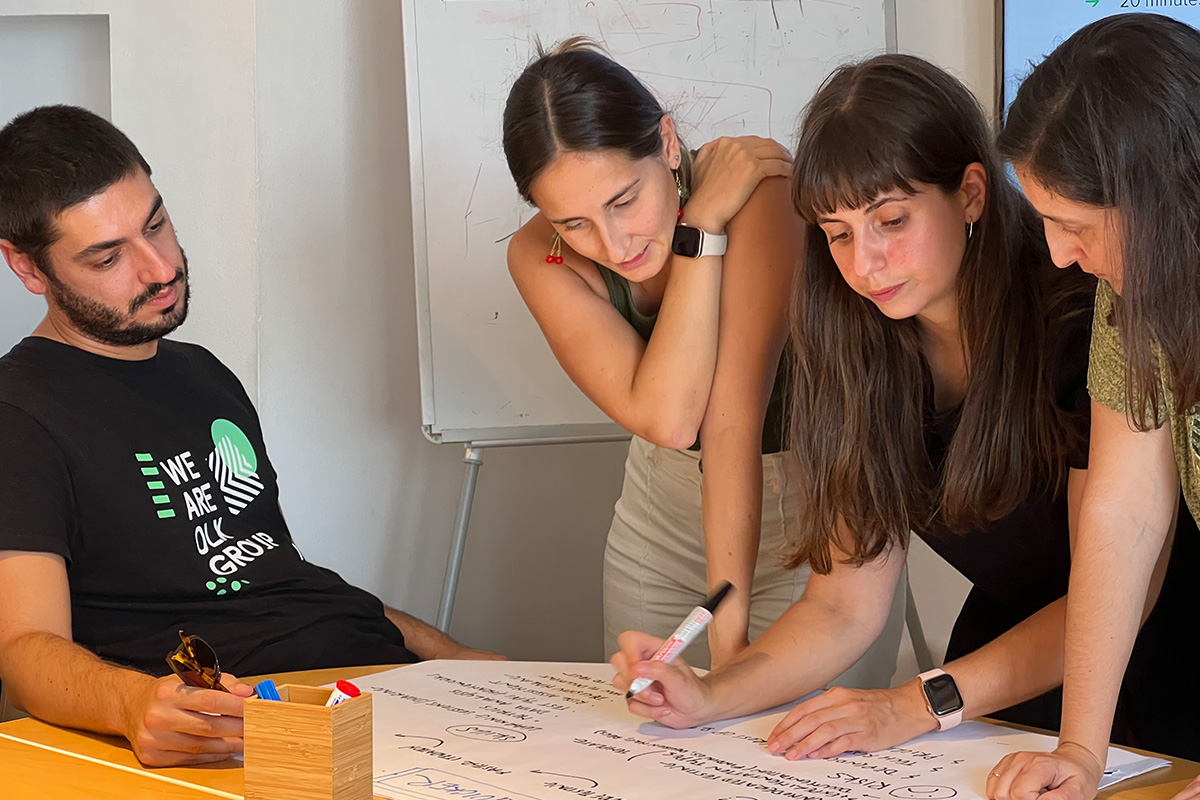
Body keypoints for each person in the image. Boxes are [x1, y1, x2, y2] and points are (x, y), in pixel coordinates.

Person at [611, 53, 1194, 761]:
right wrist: (710, 693)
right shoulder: (856, 347)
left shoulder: (1082, 315)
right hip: (1003, 667)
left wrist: (917, 703)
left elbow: (1121, 569)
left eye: (891, 220)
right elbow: (842, 605)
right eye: (838, 233)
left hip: (1165, 654)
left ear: (971, 193)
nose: (865, 264)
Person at [0, 105, 499, 768]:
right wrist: (130, 703)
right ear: (29, 268)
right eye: (108, 256)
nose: (158, 268)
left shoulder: (202, 374)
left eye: (156, 224)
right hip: (244, 724)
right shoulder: (18, 414)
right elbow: (24, 649)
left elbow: (270, 578)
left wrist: (453, 657)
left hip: (367, 689)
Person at [500, 39, 905, 677]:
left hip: (812, 513)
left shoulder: (761, 198)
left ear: (666, 143)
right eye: (573, 223)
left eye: (624, 201)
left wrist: (728, 641)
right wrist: (701, 225)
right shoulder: (539, 255)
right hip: (659, 520)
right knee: (643, 728)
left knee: (785, 735)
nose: (613, 244)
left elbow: (729, 422)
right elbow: (668, 419)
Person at [986, 14, 1200, 800]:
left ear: (1163, 201)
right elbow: (1124, 510)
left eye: (1073, 225)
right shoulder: (1135, 290)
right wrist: (1081, 749)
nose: (1057, 254)